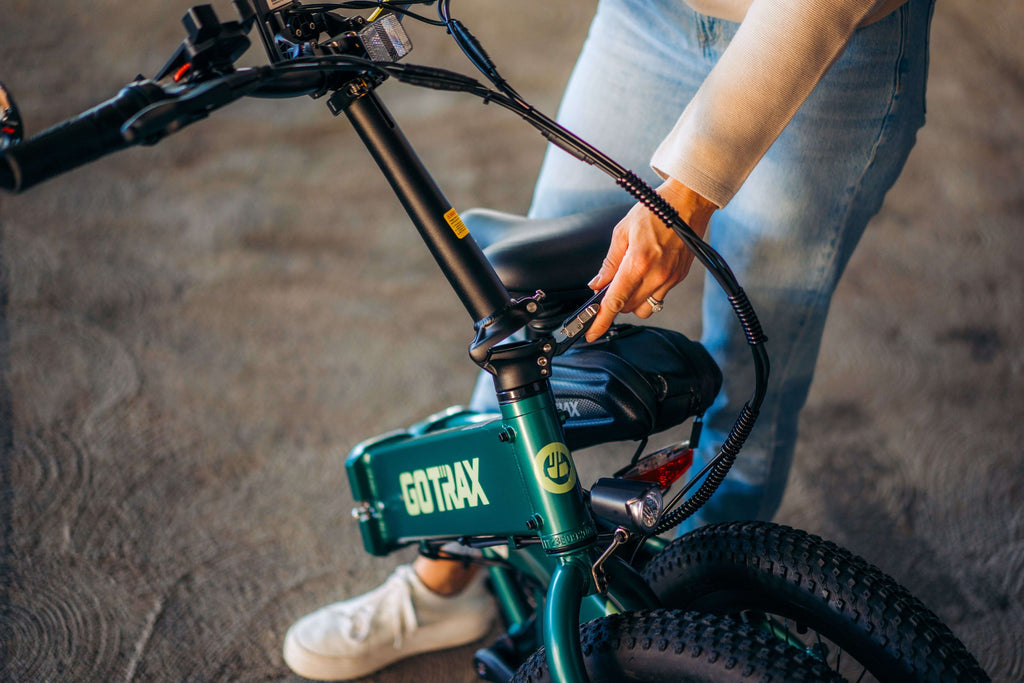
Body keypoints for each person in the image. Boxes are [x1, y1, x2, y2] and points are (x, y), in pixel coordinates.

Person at [283, 0, 936, 679]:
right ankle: (448, 579)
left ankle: (693, 618)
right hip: (651, 18)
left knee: (751, 366)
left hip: (823, 44)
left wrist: (690, 192)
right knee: (520, 314)